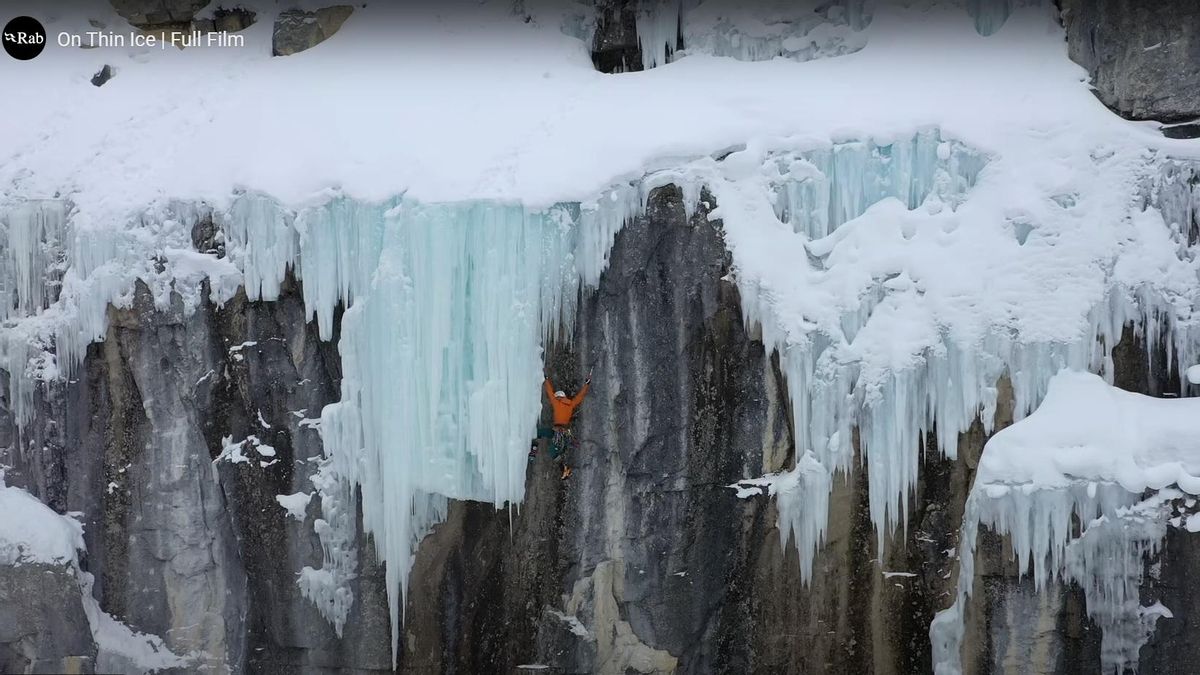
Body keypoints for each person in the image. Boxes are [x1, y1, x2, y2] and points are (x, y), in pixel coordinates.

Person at [531, 374, 590, 479]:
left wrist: (546, 379)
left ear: (559, 397)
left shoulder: (556, 402)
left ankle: (564, 468)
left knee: (542, 437)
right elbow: (580, 397)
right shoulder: (571, 404)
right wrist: (586, 385)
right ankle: (563, 467)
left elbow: (549, 392)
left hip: (558, 431)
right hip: (561, 431)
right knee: (551, 448)